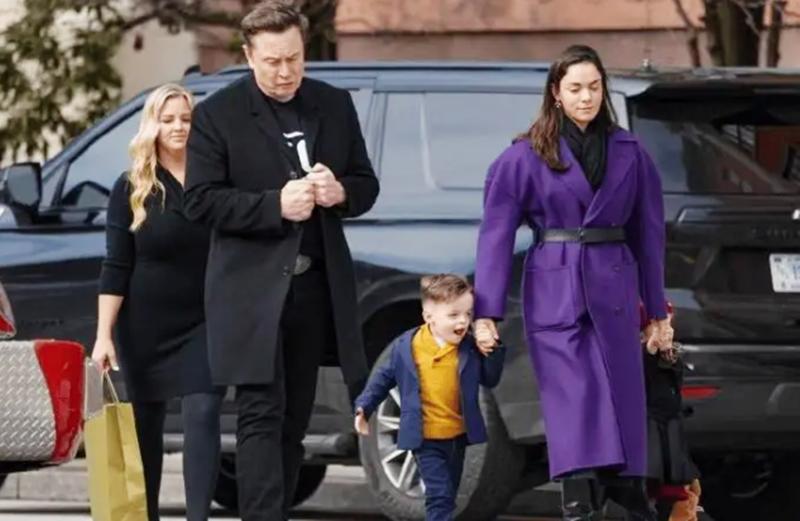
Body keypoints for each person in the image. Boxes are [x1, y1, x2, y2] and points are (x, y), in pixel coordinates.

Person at [182, 1, 379, 519]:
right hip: (250, 291)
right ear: (249, 56)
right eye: (272, 61)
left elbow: (366, 183)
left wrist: (340, 192)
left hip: (313, 288)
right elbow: (200, 201)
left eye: (294, 58)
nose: (285, 71)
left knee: (295, 420)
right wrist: (274, 205)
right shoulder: (218, 114)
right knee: (261, 414)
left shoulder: (333, 104)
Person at [472, 44, 674, 521]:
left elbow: (649, 236)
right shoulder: (523, 157)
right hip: (555, 288)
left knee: (620, 390)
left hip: (615, 284)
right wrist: (486, 312)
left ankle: (624, 486)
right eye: (576, 88)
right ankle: (578, 493)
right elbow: (495, 236)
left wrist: (657, 311)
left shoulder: (630, 152)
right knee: (573, 393)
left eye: (595, 87)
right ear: (556, 94)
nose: (586, 97)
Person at [92, 83, 223, 521]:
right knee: (146, 427)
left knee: (204, 410)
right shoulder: (131, 186)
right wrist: (103, 336)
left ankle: (198, 517)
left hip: (204, 320)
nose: (178, 127)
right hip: (145, 326)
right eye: (168, 120)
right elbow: (116, 265)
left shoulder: (213, 179)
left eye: (186, 119)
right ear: (153, 125)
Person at [353, 274, 505, 521]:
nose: (463, 321)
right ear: (429, 317)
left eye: (468, 314)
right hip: (424, 438)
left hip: (457, 436)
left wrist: (492, 349)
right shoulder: (407, 348)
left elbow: (490, 379)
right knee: (439, 495)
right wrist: (364, 408)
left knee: (449, 494)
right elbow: (381, 380)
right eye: (453, 315)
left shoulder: (468, 348)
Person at [640, 304, 702, 521]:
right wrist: (650, 350)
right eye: (661, 324)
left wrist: (667, 354)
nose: (668, 331)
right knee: (649, 495)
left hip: (670, 436)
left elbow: (675, 381)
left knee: (676, 491)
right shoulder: (638, 356)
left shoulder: (670, 356)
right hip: (650, 435)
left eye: (669, 325)